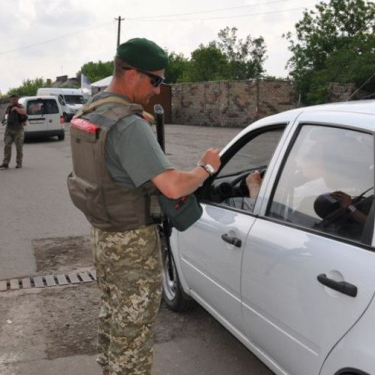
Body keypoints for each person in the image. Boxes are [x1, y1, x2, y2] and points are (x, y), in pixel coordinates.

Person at [68, 38, 220, 375]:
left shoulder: (93, 110)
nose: (157, 90)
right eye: (156, 81)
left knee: (113, 318)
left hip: (104, 236)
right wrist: (206, 168)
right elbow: (173, 185)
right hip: (131, 245)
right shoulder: (128, 125)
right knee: (133, 338)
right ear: (132, 74)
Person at [0, 94, 27, 169]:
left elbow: (24, 112)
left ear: (17, 99)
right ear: (10, 100)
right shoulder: (8, 107)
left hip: (18, 130)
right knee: (7, 146)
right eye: (12, 99)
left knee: (19, 147)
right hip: (9, 130)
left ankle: (19, 163)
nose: (13, 100)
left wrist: (16, 109)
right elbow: (6, 115)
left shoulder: (20, 106)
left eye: (15, 99)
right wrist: (4, 120)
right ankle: (5, 163)